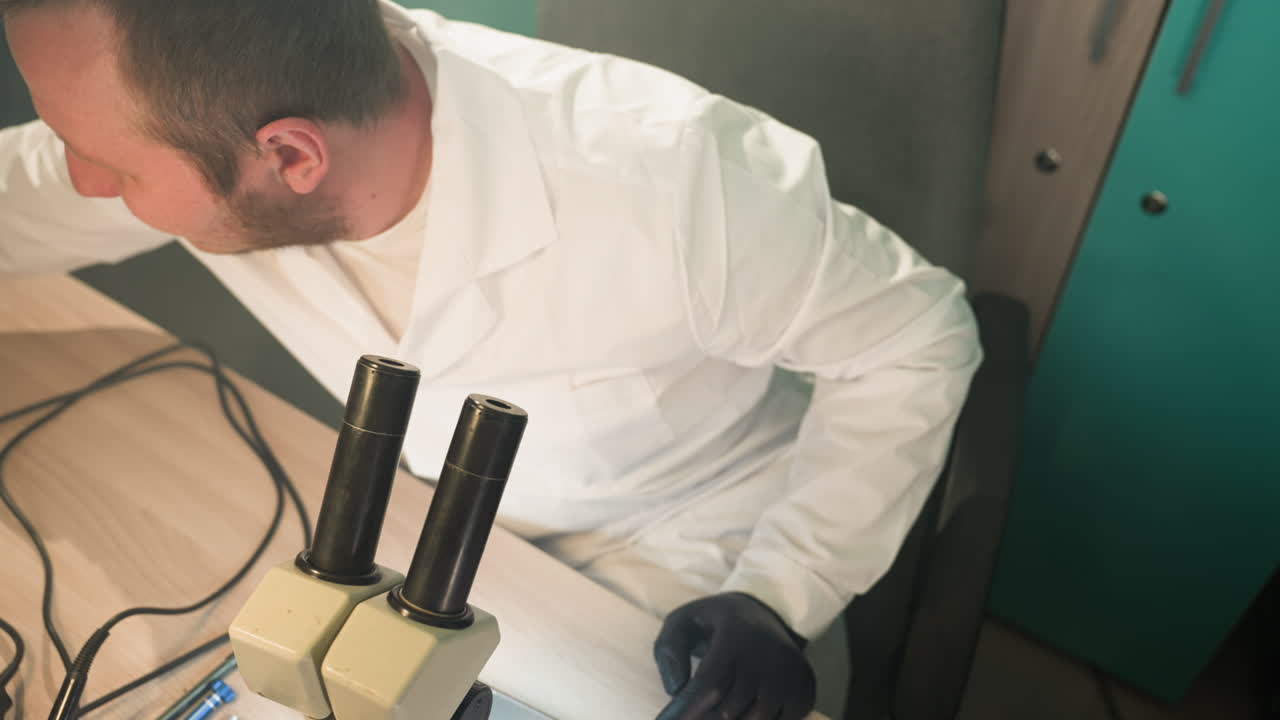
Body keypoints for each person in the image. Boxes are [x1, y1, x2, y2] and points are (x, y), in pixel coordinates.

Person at [0, 0, 981, 718]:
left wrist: (783, 589)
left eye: (116, 165)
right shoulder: (229, 130)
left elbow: (917, 337)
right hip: (442, 535)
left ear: (291, 157)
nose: (83, 177)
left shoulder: (672, 185)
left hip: (691, 553)